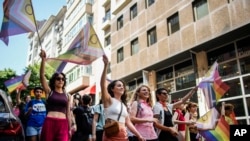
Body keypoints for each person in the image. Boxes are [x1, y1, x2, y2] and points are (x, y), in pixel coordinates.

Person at [100, 55, 145, 141]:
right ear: (112, 89)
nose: (122, 87)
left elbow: (128, 122)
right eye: (119, 86)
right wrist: (106, 65)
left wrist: (139, 135)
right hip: (111, 134)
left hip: (123, 135)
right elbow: (102, 85)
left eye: (123, 86)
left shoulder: (124, 105)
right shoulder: (109, 100)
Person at [39, 49, 73, 141]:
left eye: (63, 79)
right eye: (58, 78)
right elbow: (42, 76)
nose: (61, 80)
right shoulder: (49, 91)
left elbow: (68, 113)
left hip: (63, 124)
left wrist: (69, 129)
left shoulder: (68, 96)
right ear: (54, 81)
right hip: (49, 122)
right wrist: (43, 60)